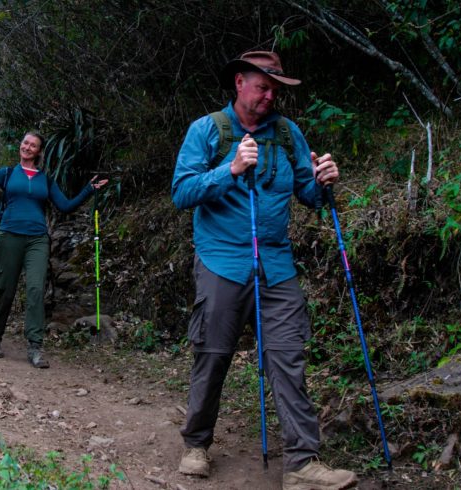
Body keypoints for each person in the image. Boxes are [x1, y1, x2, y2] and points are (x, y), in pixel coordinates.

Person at [171, 51, 358, 489]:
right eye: (263, 86)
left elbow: (309, 195)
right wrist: (230, 169)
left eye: (275, 89)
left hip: (276, 264)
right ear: (239, 83)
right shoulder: (207, 130)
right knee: (213, 356)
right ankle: (196, 444)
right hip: (222, 261)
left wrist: (323, 181)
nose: (270, 95)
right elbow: (182, 192)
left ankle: (302, 463)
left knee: (288, 358)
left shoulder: (288, 134)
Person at [0, 132, 108, 368]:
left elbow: (66, 206)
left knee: (34, 290)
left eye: (33, 145)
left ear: (39, 152)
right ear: (20, 146)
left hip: (37, 239)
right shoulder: (7, 173)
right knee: (6, 290)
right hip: (9, 235)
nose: (28, 147)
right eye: (25, 143)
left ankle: (35, 347)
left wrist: (88, 190)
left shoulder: (46, 180)